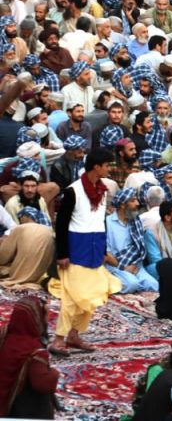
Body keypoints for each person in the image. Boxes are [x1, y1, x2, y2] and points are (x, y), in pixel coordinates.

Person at [51, 148, 122, 355]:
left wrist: (103, 249)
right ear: (96, 167)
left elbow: (101, 221)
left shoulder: (103, 190)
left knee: (91, 295)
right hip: (76, 247)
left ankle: (74, 334)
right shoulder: (73, 191)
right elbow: (62, 224)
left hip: (95, 246)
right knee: (72, 296)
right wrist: (62, 254)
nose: (109, 169)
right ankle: (58, 339)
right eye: (107, 165)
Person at [0, 295, 59, 418]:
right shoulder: (33, 349)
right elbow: (42, 385)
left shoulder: (4, 334)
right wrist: (54, 373)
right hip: (21, 408)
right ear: (36, 319)